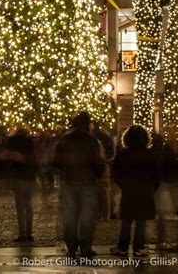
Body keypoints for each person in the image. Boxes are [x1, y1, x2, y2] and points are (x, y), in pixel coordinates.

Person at [52, 111, 105, 262]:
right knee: (87, 217)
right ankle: (86, 248)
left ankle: (71, 248)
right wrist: (99, 173)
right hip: (88, 182)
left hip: (69, 181)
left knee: (70, 216)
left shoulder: (64, 139)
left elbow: (55, 161)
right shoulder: (92, 140)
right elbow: (97, 162)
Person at [110, 124, 160, 259]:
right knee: (141, 221)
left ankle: (122, 247)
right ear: (145, 138)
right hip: (145, 191)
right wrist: (151, 188)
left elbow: (115, 173)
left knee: (126, 220)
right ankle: (139, 247)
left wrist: (123, 185)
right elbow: (156, 176)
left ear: (127, 138)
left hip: (129, 190)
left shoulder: (122, 154)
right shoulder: (150, 155)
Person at [5, 124, 37, 243]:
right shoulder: (30, 142)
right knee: (28, 204)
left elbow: (7, 156)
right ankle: (29, 233)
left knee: (20, 206)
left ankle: (22, 234)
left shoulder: (13, 141)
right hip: (29, 176)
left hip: (18, 176)